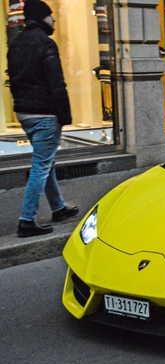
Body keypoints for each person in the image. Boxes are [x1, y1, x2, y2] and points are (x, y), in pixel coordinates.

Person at [8, 0, 78, 237]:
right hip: (45, 114)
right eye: (50, 15)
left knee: (46, 162)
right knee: (41, 166)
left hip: (25, 113)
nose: (54, 19)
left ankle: (58, 208)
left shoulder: (15, 44)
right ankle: (27, 220)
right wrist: (65, 115)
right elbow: (56, 83)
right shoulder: (45, 44)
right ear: (41, 18)